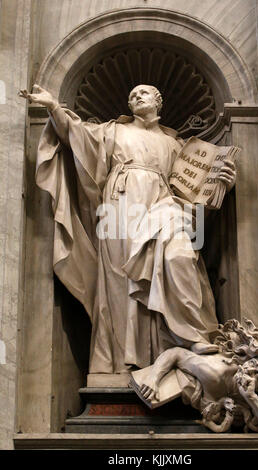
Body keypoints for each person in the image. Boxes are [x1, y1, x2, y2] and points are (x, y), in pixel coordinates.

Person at [19, 84, 236, 374]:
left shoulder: (178, 144)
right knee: (121, 282)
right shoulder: (113, 131)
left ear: (159, 100)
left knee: (179, 256)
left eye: (144, 93)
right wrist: (53, 107)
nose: (136, 96)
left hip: (164, 204)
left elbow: (194, 193)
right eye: (131, 93)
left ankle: (188, 338)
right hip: (119, 205)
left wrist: (222, 183)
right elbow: (77, 136)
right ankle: (124, 364)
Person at [137, 318, 258, 433]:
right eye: (254, 364)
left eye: (257, 373)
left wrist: (252, 398)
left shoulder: (249, 398)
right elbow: (176, 353)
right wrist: (153, 379)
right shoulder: (215, 371)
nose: (251, 369)